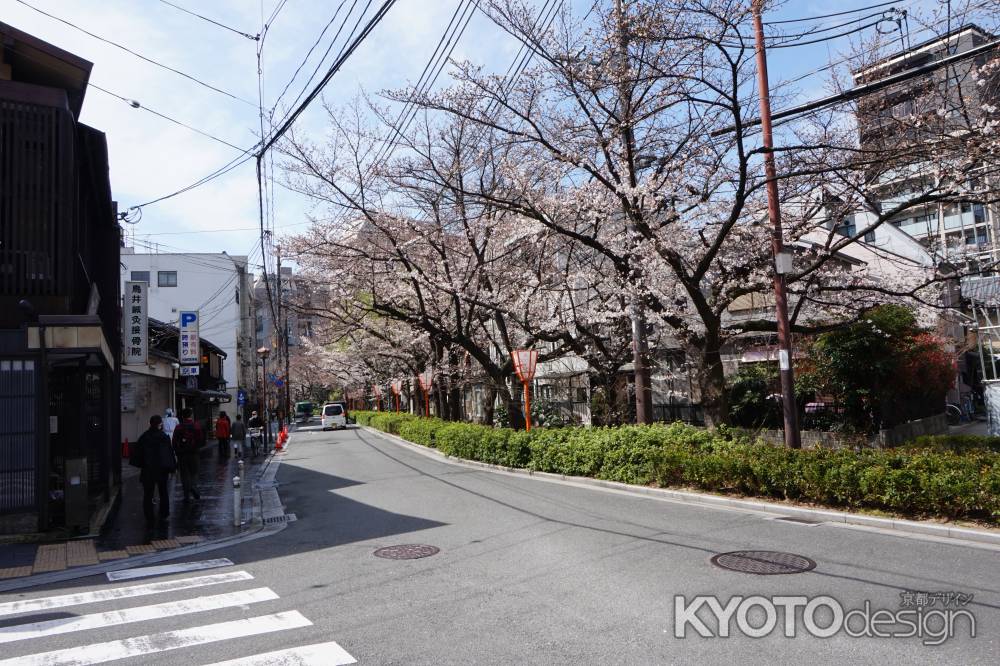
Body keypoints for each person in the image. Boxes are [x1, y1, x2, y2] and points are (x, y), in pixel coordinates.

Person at [131, 415, 177, 524]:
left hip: (148, 470)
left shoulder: (144, 437)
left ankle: (149, 516)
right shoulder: (164, 437)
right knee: (163, 492)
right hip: (162, 470)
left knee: (148, 494)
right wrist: (172, 468)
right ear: (160, 424)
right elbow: (169, 454)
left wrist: (143, 464)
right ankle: (164, 513)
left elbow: (138, 454)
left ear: (150, 424)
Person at [172, 408, 204, 501]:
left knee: (184, 474)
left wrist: (178, 451)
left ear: (182, 416)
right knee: (194, 473)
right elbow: (200, 439)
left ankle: (186, 495)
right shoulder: (196, 426)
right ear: (191, 415)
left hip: (182, 454)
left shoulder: (179, 427)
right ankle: (193, 487)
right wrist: (196, 448)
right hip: (194, 453)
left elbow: (174, 441)